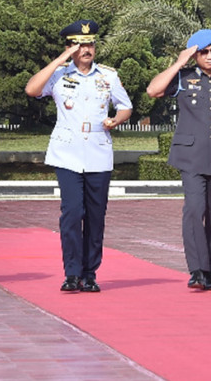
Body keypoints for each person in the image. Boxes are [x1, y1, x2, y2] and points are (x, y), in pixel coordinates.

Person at [25, 19, 132, 293]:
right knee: (72, 213)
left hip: (98, 152)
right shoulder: (59, 74)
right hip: (67, 153)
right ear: (70, 47)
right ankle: (72, 273)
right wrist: (60, 59)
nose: (87, 49)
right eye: (80, 45)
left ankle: (90, 272)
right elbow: (32, 89)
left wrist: (116, 120)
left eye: (90, 44)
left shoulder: (107, 76)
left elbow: (125, 106)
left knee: (96, 216)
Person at [146, 29, 211, 291]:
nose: (209, 56)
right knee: (194, 210)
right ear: (194, 54)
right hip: (191, 157)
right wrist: (179, 62)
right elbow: (153, 90)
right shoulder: (182, 78)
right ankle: (197, 269)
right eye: (203, 52)